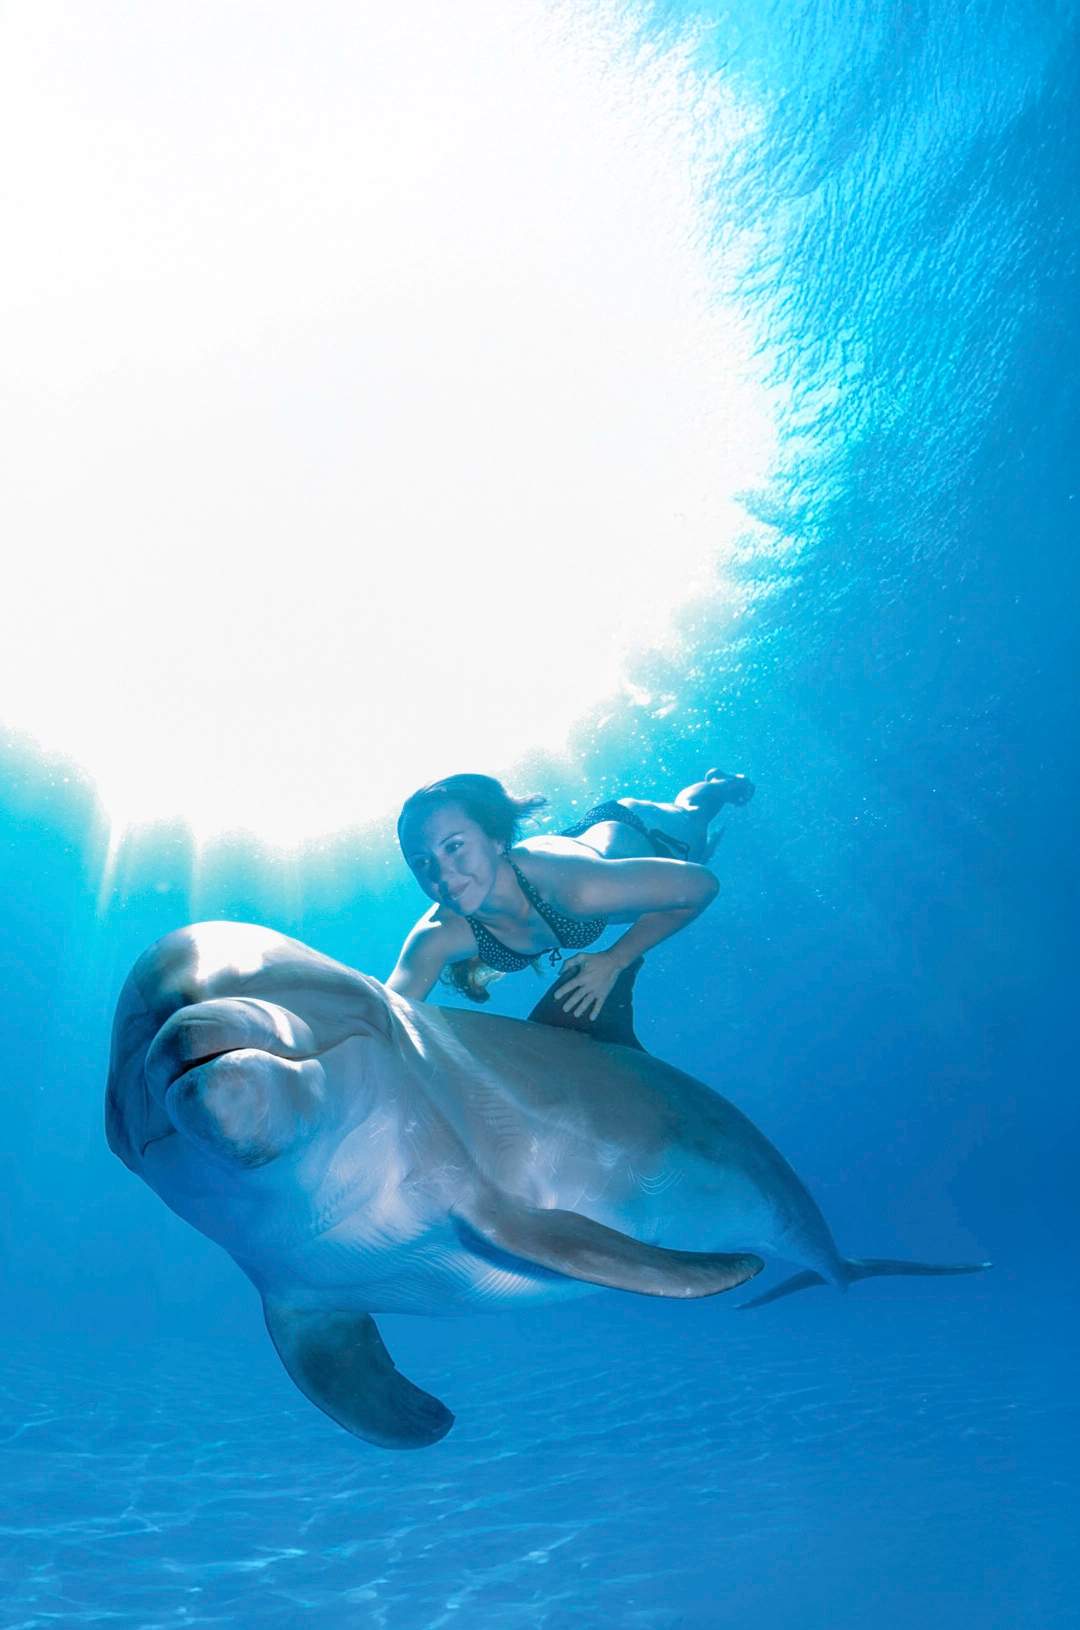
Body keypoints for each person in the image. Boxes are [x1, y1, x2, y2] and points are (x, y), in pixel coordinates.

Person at [386, 769, 753, 1021]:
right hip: (567, 856)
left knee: (693, 819)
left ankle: (718, 785)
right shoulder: (437, 935)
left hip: (641, 833)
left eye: (454, 847)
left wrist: (615, 959)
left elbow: (703, 887)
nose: (441, 874)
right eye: (422, 861)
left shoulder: (581, 892)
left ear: (497, 839)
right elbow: (386, 1012)